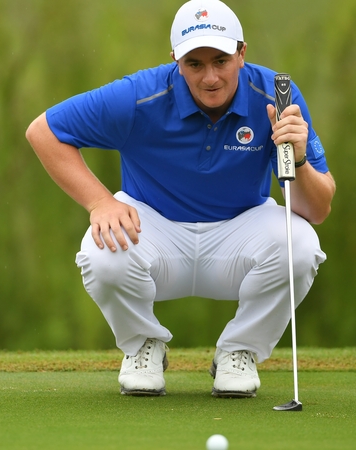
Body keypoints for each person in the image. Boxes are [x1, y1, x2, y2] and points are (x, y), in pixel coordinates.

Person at [26, 0, 335, 398]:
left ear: (242, 53)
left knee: (302, 246)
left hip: (240, 232)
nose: (210, 77)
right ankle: (142, 345)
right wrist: (100, 202)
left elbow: (317, 210)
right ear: (175, 59)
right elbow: (44, 132)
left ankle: (239, 350)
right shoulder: (139, 97)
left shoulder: (275, 96)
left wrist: (300, 158)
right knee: (101, 251)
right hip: (154, 229)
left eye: (221, 60)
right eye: (194, 64)